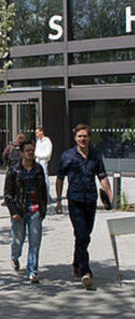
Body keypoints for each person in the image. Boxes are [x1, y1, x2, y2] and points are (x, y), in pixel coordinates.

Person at [56, 123, 112, 290]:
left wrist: (109, 194)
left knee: (85, 234)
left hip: (91, 199)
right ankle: (86, 271)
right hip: (75, 200)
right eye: (80, 136)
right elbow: (59, 178)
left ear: (89, 137)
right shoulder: (67, 156)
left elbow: (102, 176)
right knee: (82, 234)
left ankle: (76, 262)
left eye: (85, 136)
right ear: (75, 138)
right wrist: (58, 200)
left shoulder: (95, 155)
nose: (83, 139)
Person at [4, 139, 48, 283]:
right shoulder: (14, 170)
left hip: (35, 210)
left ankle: (32, 271)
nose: (31, 153)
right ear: (22, 152)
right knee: (18, 240)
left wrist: (43, 210)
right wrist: (13, 211)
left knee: (35, 242)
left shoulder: (38, 169)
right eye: (28, 150)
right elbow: (8, 194)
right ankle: (14, 256)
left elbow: (43, 191)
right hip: (19, 210)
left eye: (32, 150)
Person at [35, 126, 53, 200]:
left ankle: (47, 197)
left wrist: (38, 155)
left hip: (43, 161)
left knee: (45, 178)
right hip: (37, 161)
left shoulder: (47, 141)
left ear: (41, 132)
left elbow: (47, 154)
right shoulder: (38, 141)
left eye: (37, 132)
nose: (36, 134)